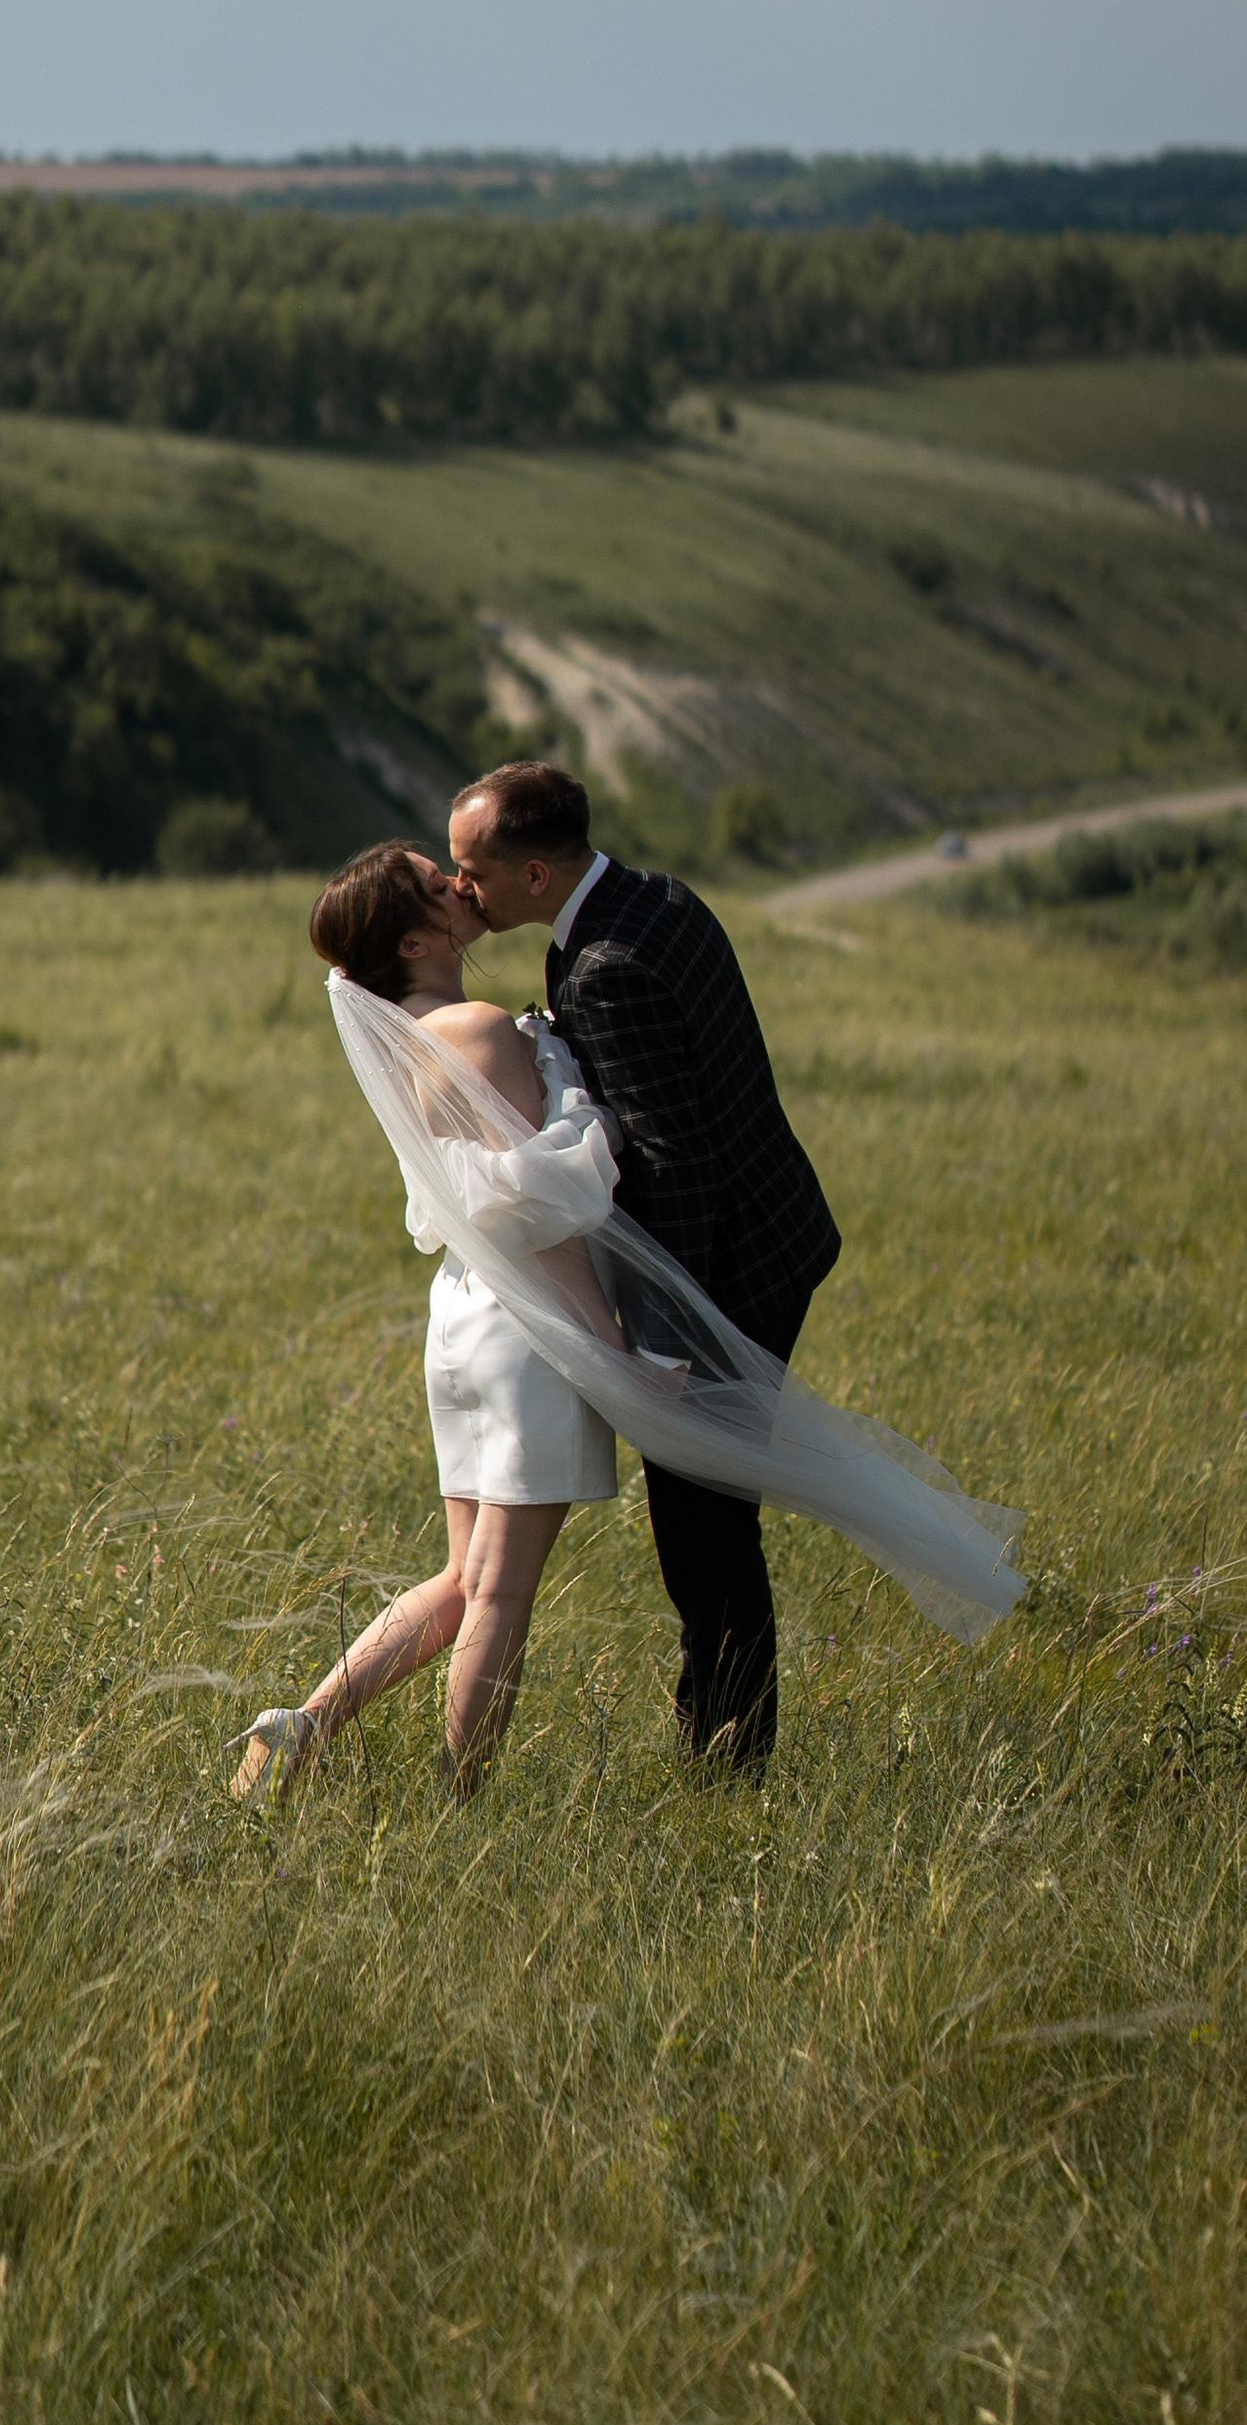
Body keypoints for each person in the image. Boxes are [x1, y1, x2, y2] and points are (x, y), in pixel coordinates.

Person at [445, 759, 836, 1775]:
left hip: (734, 1267)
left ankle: (729, 1764)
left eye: (472, 869)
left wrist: (668, 1348)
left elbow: (676, 1167)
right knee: (711, 1524)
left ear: (535, 875)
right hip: (773, 1229)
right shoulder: (654, 895)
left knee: (705, 1533)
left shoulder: (605, 967)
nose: (460, 888)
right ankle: (725, 1748)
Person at [231, 843, 625, 1805]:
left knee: (459, 1579)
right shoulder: (477, 1029)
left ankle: (300, 1727)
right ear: (414, 941)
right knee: (501, 1591)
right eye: (436, 883)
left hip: (459, 1316)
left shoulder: (408, 1039)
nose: (460, 883)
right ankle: (459, 1806)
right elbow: (535, 1216)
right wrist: (608, 1347)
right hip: (525, 1320)